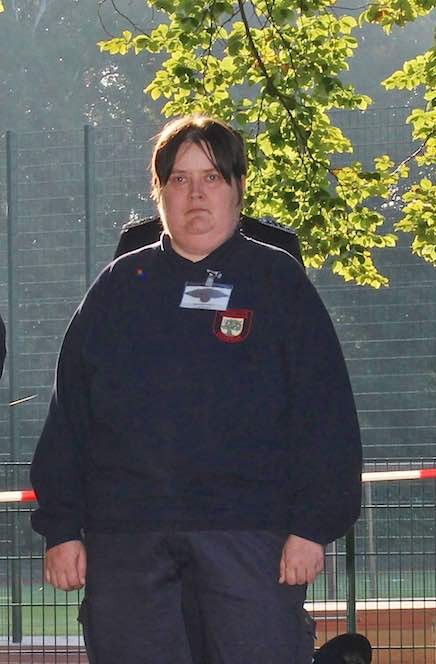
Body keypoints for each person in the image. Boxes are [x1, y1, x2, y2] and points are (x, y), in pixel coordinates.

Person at [30, 115, 362, 664]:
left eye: (212, 177)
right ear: (158, 192)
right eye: (179, 180)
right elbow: (70, 417)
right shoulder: (118, 287)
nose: (196, 194)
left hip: (251, 539)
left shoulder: (278, 282)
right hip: (130, 543)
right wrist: (61, 528)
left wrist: (312, 527)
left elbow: (324, 415)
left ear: (238, 188)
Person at [114, 212, 304, 268]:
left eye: (212, 177)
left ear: (240, 180)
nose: (197, 190)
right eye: (181, 177)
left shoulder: (277, 244)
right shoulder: (137, 241)